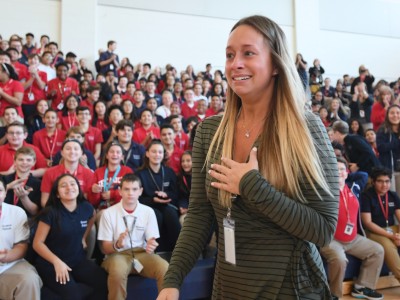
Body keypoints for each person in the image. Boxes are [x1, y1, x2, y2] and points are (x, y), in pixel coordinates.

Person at [157, 15, 338, 300]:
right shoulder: (209, 131)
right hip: (229, 286)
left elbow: (323, 229)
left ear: (276, 65)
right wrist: (173, 278)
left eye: (248, 53)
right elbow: (200, 216)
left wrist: (251, 186)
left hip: (291, 289)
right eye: (229, 55)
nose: (235, 63)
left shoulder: (307, 129)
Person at [33, 173, 108, 299]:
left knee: (104, 282)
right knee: (74, 296)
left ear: (78, 188)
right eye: (63, 186)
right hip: (52, 263)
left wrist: (84, 237)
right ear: (57, 194)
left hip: (77, 260)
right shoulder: (50, 212)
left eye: (73, 184)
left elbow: (92, 216)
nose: (69, 188)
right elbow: (37, 243)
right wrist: (57, 262)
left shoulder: (86, 207)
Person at [320, 157, 384, 300]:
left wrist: (348, 172)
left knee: (377, 250)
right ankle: (334, 295)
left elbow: (364, 175)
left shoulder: (354, 187)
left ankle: (362, 288)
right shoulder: (323, 191)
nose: (339, 172)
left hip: (353, 238)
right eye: (334, 169)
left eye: (342, 169)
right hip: (331, 239)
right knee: (340, 259)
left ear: (347, 172)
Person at [98, 173, 168, 300]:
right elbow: (105, 249)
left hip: (141, 253)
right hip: (117, 254)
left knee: (165, 268)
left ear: (140, 191)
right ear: (120, 191)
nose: (131, 193)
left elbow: (152, 240)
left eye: (134, 189)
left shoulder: (148, 211)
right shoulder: (108, 213)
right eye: (126, 189)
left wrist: (152, 245)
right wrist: (117, 244)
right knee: (118, 273)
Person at [0, 177, 42, 300]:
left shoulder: (16, 212)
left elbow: (21, 246)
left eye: (0, 190)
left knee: (29, 279)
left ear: (5, 193)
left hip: (9, 265)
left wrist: (5, 257)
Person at [136, 140, 180, 252]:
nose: (157, 155)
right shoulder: (140, 174)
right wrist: (153, 200)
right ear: (147, 153)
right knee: (156, 215)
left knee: (171, 214)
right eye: (154, 152)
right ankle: (156, 251)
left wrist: (167, 194)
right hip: (148, 206)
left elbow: (175, 193)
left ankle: (178, 251)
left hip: (167, 205)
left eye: (160, 152)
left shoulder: (169, 172)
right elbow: (138, 198)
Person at [361, 167, 400, 284]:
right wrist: (392, 236)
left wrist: (398, 235)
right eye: (380, 181)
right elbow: (368, 223)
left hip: (392, 229)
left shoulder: (393, 195)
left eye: (387, 181)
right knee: (388, 247)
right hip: (374, 231)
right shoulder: (366, 196)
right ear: (373, 182)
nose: (384, 185)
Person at [41, 139, 94, 207]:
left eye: (76, 149)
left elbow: (88, 200)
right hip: (56, 211)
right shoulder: (50, 172)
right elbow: (44, 201)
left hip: (80, 210)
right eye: (68, 149)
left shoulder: (89, 174)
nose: (72, 152)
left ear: (81, 153)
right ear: (62, 153)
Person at [88, 142, 133, 210]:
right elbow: (93, 202)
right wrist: (94, 192)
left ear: (122, 157)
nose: (115, 154)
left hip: (122, 208)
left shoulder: (127, 171)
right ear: (106, 155)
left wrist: (112, 194)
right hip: (103, 209)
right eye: (112, 152)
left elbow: (131, 192)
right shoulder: (98, 172)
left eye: (118, 152)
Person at [376, 105, 400, 171]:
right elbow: (381, 148)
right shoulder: (383, 130)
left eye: (398, 113)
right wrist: (398, 141)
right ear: (387, 115)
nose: (395, 115)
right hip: (389, 167)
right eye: (392, 113)